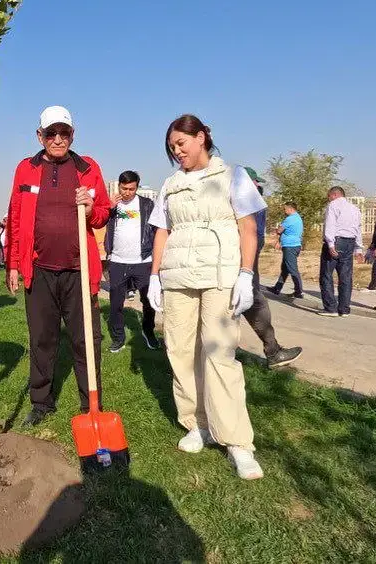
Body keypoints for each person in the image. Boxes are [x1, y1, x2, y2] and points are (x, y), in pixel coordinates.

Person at [147, 114, 265, 480]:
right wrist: (154, 277)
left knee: (219, 352)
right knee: (179, 349)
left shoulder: (233, 175)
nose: (176, 151)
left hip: (219, 273)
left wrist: (246, 274)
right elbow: (162, 232)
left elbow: (248, 229)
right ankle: (195, 423)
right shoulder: (170, 184)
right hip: (177, 275)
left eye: (181, 143)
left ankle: (236, 442)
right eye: (171, 147)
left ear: (201, 137)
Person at [5, 105, 111, 427]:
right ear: (40, 136)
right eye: (51, 133)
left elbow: (104, 212)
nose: (58, 138)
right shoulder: (25, 169)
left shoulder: (88, 168)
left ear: (72, 135)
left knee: (85, 340)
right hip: (39, 270)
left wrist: (91, 207)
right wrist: (12, 263)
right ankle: (41, 403)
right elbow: (15, 217)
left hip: (78, 272)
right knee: (41, 339)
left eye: (64, 132)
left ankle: (90, 402)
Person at [242, 168, 302, 368]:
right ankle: (273, 352)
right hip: (241, 263)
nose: (259, 187)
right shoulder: (248, 202)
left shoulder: (252, 201)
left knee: (252, 303)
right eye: (255, 183)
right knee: (254, 304)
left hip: (245, 262)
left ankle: (272, 350)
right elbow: (253, 236)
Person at [105, 170, 158, 353]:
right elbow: (98, 220)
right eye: (124, 188)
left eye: (131, 189)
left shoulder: (147, 205)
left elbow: (157, 231)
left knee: (148, 300)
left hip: (143, 261)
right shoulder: (112, 205)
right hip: (118, 261)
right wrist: (108, 207)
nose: (127, 192)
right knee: (116, 304)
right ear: (118, 186)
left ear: (137, 188)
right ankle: (118, 338)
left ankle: (148, 330)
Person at [318, 186, 363, 317]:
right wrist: (358, 248)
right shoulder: (354, 208)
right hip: (349, 242)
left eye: (329, 196)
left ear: (334, 195)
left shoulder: (333, 205)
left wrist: (330, 244)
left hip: (336, 241)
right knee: (346, 277)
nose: (328, 199)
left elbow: (330, 224)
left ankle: (330, 308)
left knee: (326, 275)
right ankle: (344, 309)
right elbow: (358, 228)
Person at [266, 201, 304, 298]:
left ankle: (299, 291)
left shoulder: (290, 219)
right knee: (285, 268)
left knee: (292, 268)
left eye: (285, 209)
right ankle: (277, 288)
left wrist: (277, 230)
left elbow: (280, 230)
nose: (284, 211)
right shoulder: (297, 217)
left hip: (290, 246)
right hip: (294, 245)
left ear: (291, 209)